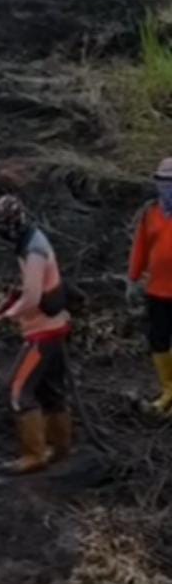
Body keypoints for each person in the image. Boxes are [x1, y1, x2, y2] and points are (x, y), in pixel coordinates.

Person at [0, 194, 72, 472]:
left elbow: (32, 298)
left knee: (19, 391)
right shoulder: (32, 240)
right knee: (51, 391)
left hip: (42, 334)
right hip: (54, 329)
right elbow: (28, 289)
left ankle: (34, 455)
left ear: (11, 225)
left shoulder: (33, 251)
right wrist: (3, 305)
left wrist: (3, 318)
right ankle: (59, 448)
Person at [126, 158, 172, 413]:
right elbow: (141, 246)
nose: (166, 187)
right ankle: (169, 390)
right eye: (163, 182)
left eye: (170, 182)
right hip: (157, 290)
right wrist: (132, 279)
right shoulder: (150, 213)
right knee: (158, 340)